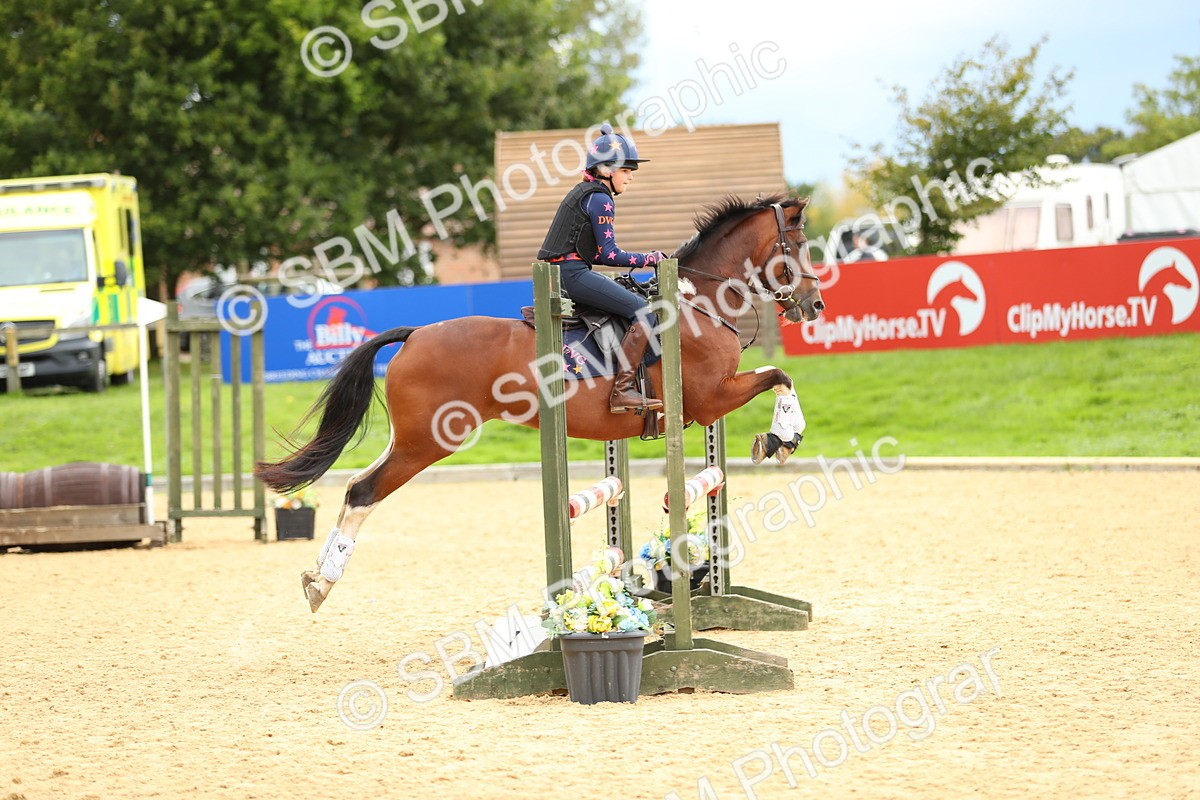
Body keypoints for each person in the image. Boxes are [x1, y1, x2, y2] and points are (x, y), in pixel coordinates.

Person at [537, 123, 667, 414]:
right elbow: (609, 253)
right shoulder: (600, 198)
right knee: (643, 312)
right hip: (571, 275)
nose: (630, 178)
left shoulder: (587, 192)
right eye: (627, 171)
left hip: (562, 273)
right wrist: (650, 258)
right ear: (607, 169)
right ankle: (622, 391)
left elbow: (597, 253)